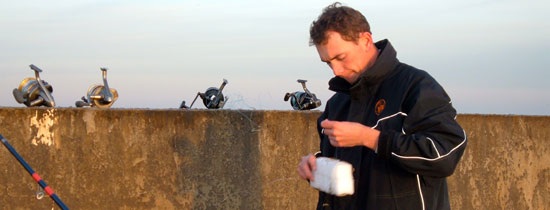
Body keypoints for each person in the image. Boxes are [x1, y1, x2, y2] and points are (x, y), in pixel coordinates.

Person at [297, 2, 467, 210]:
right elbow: (346, 174)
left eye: (340, 58)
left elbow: (445, 155)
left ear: (366, 40)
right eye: (328, 62)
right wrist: (317, 165)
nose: (336, 71)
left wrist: (371, 138)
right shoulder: (338, 104)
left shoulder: (416, 86)